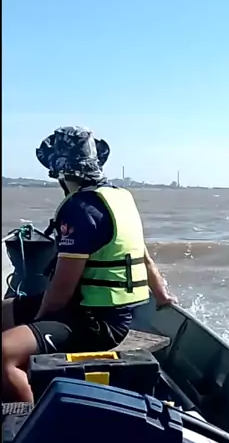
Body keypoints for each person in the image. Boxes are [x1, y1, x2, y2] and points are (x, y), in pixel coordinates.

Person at [2, 126, 176, 403]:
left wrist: (36, 324)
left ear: (59, 170)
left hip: (95, 324)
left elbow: (60, 292)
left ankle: (26, 422)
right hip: (110, 314)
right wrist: (162, 295)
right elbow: (145, 257)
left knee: (4, 355)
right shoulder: (119, 198)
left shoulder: (80, 208)